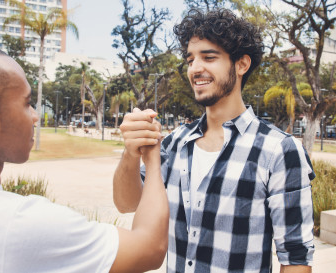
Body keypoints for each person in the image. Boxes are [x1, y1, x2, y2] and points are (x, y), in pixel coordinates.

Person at [0, 43, 169, 273]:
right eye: (26, 103)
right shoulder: (18, 221)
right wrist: (152, 156)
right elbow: (150, 248)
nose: (34, 116)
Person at [113, 8, 314, 273]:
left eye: (208, 57)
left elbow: (296, 258)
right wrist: (131, 153)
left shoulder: (278, 150)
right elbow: (127, 203)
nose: (195, 68)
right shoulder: (173, 144)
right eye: (190, 60)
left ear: (241, 64)